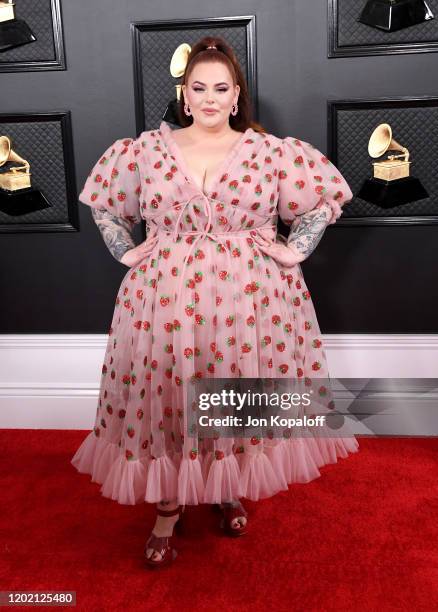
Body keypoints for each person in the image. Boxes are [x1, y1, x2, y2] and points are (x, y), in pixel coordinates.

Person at [71, 35, 359, 568]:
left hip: (248, 296)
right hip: (164, 294)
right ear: (184, 96)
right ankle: (167, 505)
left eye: (219, 88)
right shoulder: (145, 151)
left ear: (235, 95)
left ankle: (228, 484)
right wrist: (126, 252)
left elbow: (322, 199)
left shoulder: (270, 152)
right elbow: (106, 204)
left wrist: (293, 249)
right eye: (197, 87)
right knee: (170, 393)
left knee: (233, 390)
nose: (208, 98)